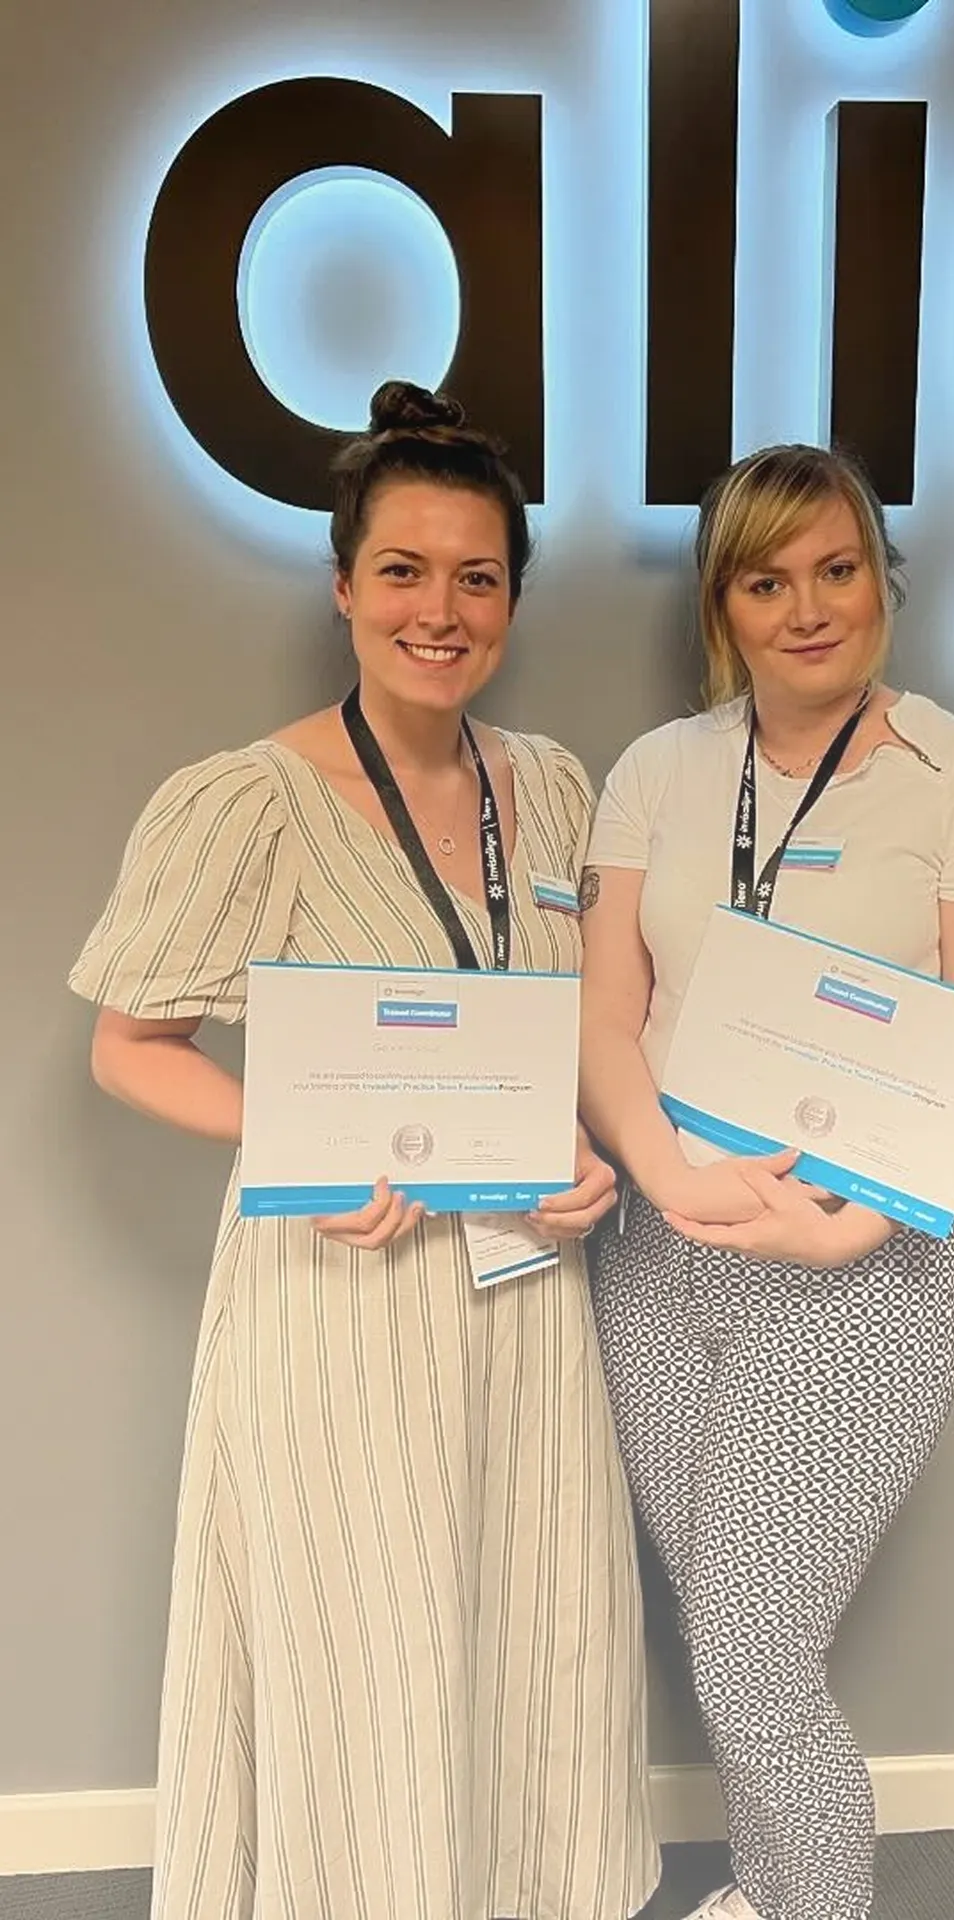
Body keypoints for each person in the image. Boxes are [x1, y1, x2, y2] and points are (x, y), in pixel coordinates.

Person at [69, 382, 659, 1920]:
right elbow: (130, 1047)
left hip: (527, 1295)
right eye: (402, 571)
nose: (438, 612)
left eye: (476, 578)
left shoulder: (554, 791)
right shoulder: (245, 803)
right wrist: (308, 1145)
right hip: (341, 1294)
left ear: (512, 599)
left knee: (533, 1634)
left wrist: (592, 1153)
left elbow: (579, 1037)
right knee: (362, 1664)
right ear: (343, 586)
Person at [578, 442, 954, 1920]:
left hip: (859, 1267)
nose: (807, 609)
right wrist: (665, 1175)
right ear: (721, 605)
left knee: (753, 1649)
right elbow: (604, 1016)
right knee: (719, 1625)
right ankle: (768, 1892)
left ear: (880, 581)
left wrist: (848, 1228)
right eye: (765, 580)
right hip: (661, 1257)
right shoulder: (658, 772)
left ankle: (813, 1906)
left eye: (836, 569)